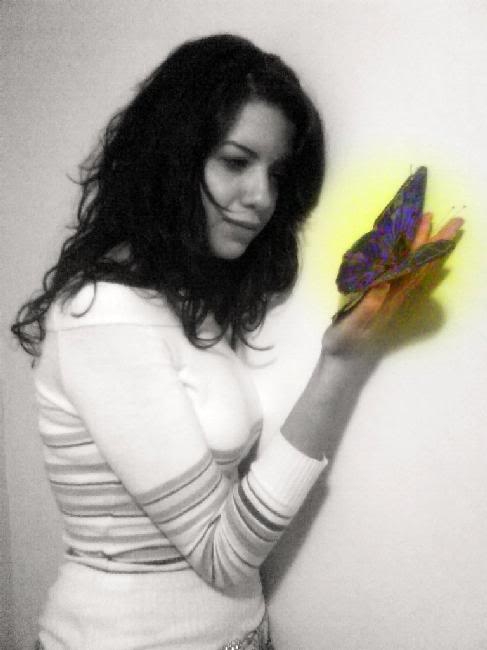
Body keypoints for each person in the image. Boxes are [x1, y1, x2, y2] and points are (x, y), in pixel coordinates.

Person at [12, 34, 462, 650]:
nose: (262, 198)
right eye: (235, 162)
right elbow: (222, 553)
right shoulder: (104, 316)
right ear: (172, 157)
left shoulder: (181, 305)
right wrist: (341, 361)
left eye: (276, 174)